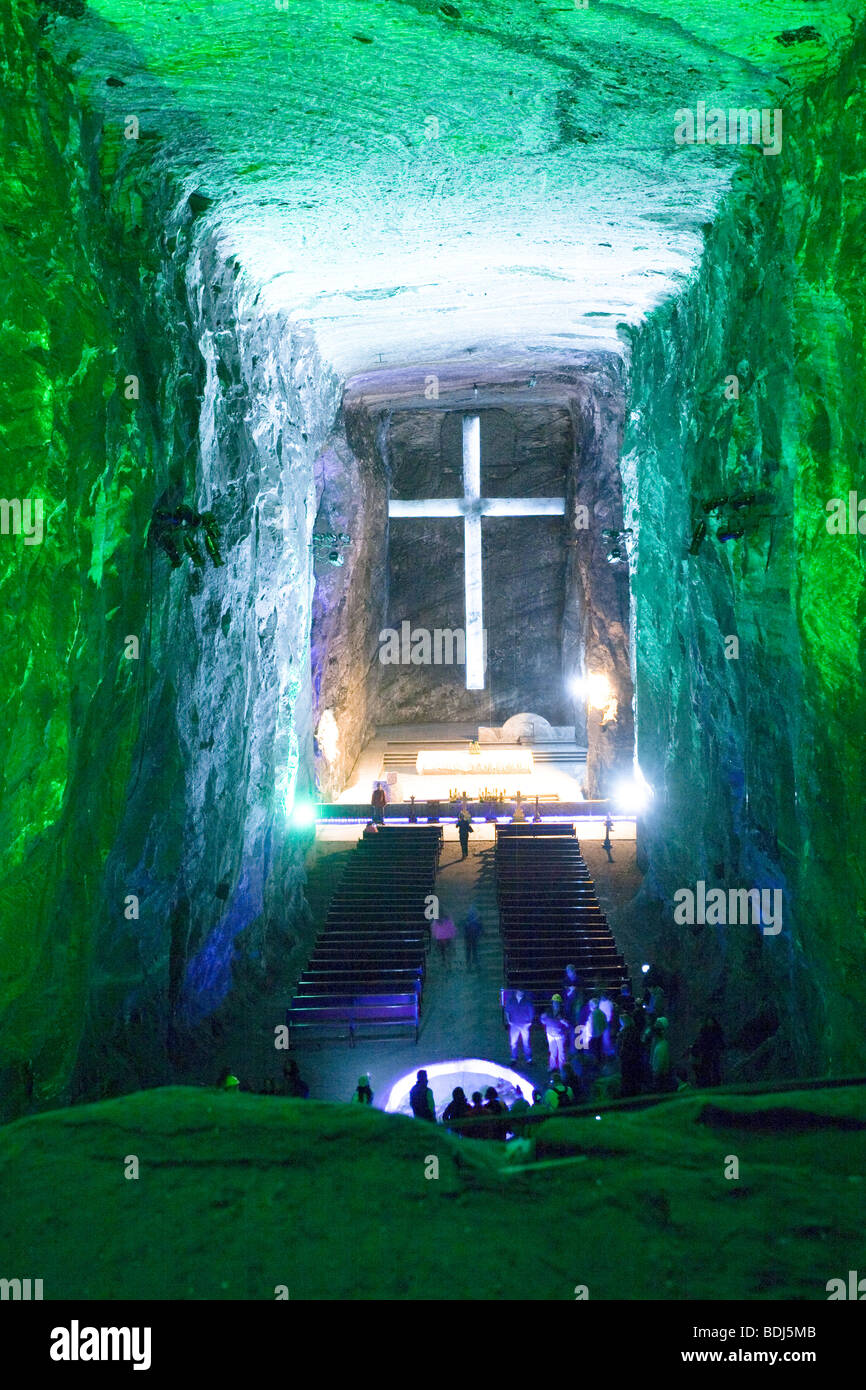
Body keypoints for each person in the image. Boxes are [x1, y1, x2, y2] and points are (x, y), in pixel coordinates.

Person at [691, 1016, 725, 1087]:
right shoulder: (704, 1033)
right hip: (705, 1057)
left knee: (713, 1072)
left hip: (713, 1056)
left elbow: (721, 1044)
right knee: (705, 1073)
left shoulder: (716, 1033)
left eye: (711, 1021)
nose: (710, 1023)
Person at [540, 994, 570, 1071]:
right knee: (552, 1051)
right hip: (550, 1034)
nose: (556, 1003)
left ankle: (561, 1068)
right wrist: (543, 1020)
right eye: (554, 1002)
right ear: (552, 1002)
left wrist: (562, 1020)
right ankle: (552, 1066)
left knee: (561, 1052)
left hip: (560, 1035)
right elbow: (542, 1019)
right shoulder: (548, 1011)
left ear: (560, 1003)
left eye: (557, 1002)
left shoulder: (563, 1012)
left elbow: (567, 1024)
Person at [504, 988, 534, 1064]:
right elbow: (507, 1011)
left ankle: (528, 1058)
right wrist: (509, 1020)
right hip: (514, 1024)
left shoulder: (527, 1001)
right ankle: (514, 1058)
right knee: (513, 1042)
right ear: (517, 992)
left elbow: (531, 1011)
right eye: (520, 992)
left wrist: (530, 1021)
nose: (521, 993)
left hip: (524, 1024)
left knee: (526, 1042)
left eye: (522, 992)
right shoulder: (511, 1000)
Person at [617, 1012, 643, 1097]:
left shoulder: (624, 1033)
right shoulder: (635, 1031)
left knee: (627, 1078)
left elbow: (622, 1047)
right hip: (635, 1059)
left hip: (626, 1060)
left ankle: (627, 1095)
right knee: (633, 1078)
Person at [650, 1018, 673, 1091]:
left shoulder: (661, 1047)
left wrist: (655, 1076)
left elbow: (659, 1068)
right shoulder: (661, 1044)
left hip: (659, 1078)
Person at [587, 997, 607, 1065]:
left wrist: (589, 1034)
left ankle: (595, 1064)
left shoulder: (592, 1014)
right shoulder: (602, 1013)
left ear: (592, 1005)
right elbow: (605, 1025)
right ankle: (600, 1063)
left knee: (594, 1051)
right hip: (600, 1035)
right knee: (599, 1050)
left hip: (593, 1036)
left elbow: (590, 1026)